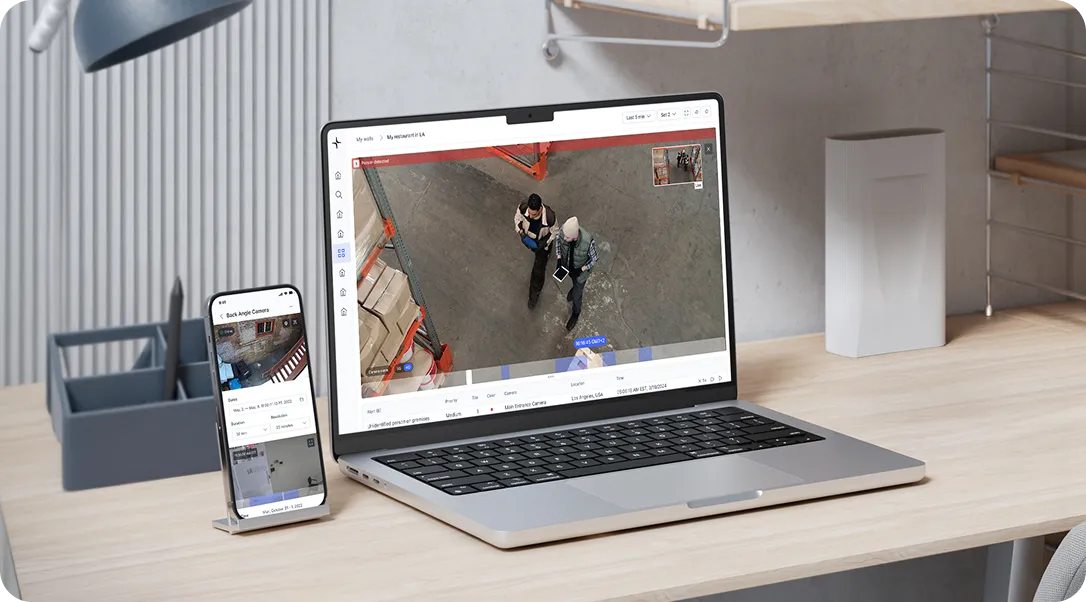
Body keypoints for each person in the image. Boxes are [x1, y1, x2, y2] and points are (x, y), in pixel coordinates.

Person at [514, 193, 559, 309]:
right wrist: (520, 232)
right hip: (528, 239)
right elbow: (517, 218)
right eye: (529, 213)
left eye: (533, 214)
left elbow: (554, 232)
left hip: (541, 245)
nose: (530, 216)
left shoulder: (550, 217)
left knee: (538, 272)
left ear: (540, 209)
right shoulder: (524, 207)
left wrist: (545, 243)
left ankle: (534, 295)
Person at [555, 216, 598, 331]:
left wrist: (581, 270)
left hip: (580, 273)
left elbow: (594, 259)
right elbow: (558, 242)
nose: (565, 238)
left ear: (575, 236)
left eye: (567, 237)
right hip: (569, 267)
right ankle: (574, 289)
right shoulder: (564, 231)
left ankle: (575, 313)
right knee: (574, 284)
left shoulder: (587, 241)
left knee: (577, 296)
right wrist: (559, 259)